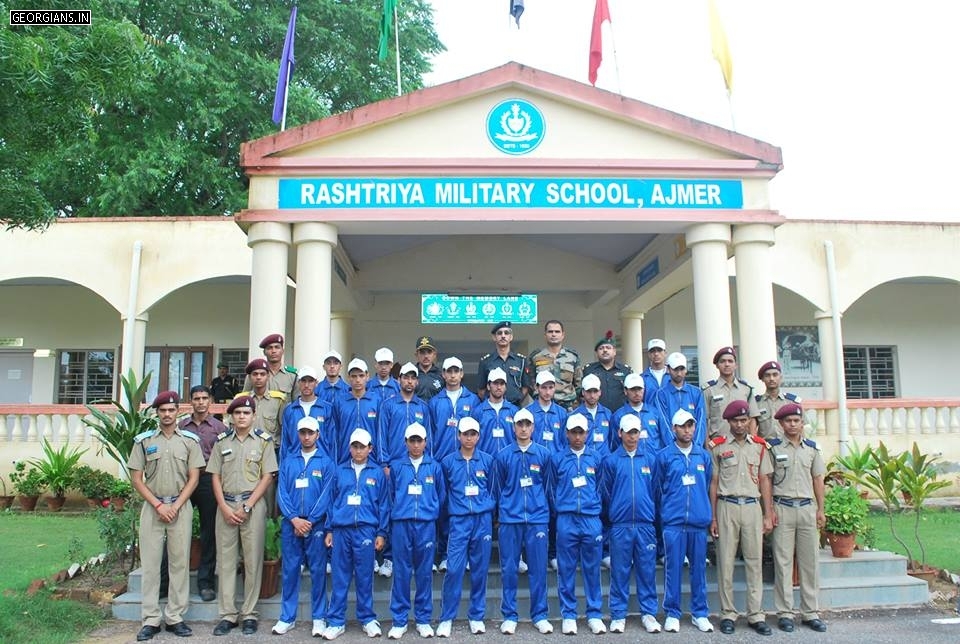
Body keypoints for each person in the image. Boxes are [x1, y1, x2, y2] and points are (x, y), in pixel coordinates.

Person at [129, 391, 204, 641]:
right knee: (150, 565)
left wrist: (177, 504)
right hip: (153, 508)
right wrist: (158, 505)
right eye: (163, 410)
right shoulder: (143, 441)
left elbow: (194, 477)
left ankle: (175, 617)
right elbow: (136, 479)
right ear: (157, 413)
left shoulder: (190, 441)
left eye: (171, 410)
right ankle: (150, 619)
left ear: (177, 412)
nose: (167, 414)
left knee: (179, 563)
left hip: (180, 507)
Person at [207, 395, 279, 636]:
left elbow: (267, 476)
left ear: (254, 416)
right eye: (237, 413)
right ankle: (227, 614)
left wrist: (247, 506)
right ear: (231, 416)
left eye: (246, 413)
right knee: (226, 562)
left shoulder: (264, 441)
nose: (241, 417)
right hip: (226, 505)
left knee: (252, 560)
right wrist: (225, 508)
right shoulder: (221, 441)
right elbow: (214, 476)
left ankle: (249, 613)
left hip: (252, 506)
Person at [709, 399, 774, 636]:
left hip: (751, 507)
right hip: (727, 506)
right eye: (736, 420)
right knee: (725, 563)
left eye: (744, 420)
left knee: (754, 562)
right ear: (728, 422)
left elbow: (765, 479)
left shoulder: (758, 446)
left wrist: (768, 513)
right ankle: (728, 613)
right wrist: (713, 517)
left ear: (749, 421)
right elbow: (714, 483)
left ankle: (755, 614)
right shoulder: (717, 446)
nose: (740, 424)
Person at [322, 429, 391, 640]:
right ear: (350, 448)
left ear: (370, 448)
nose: (358, 450)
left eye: (363, 447)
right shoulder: (339, 471)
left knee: (364, 577)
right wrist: (329, 529)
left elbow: (384, 505)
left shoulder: (377, 473)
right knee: (340, 577)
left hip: (366, 530)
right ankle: (335, 621)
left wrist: (381, 532)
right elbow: (331, 502)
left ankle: (367, 618)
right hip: (341, 530)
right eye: (355, 446)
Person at [490, 408, 554, 635]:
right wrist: (501, 514)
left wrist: (544, 510)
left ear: (533, 427)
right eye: (520, 424)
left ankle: (540, 615)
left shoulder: (544, 454)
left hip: (537, 519)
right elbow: (497, 489)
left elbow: (548, 487)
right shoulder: (503, 455)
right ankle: (509, 615)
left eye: (528, 424)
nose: (524, 428)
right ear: (514, 427)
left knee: (538, 569)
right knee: (509, 568)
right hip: (510, 519)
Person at [767, 402, 828, 633]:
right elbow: (768, 480)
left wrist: (821, 509)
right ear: (781, 424)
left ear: (802, 423)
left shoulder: (811, 449)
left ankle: (810, 612)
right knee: (783, 562)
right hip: (783, 507)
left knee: (809, 562)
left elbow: (818, 479)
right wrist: (769, 510)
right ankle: (785, 613)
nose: (793, 424)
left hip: (806, 509)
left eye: (796, 421)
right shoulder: (773, 448)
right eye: (788, 421)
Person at [272, 416, 335, 637]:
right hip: (292, 525)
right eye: (303, 433)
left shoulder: (326, 463)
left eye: (311, 433)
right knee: (290, 571)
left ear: (318, 434)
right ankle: (287, 617)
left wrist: (309, 520)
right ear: (298, 435)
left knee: (318, 572)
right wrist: (293, 518)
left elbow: (327, 495)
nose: (306, 437)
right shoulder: (288, 461)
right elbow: (282, 493)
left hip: (314, 525)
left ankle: (319, 617)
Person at [654, 409, 715, 634]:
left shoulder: (703, 456)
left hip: (698, 523)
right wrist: (667, 512)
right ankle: (672, 612)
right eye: (682, 426)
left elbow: (706, 483)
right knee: (673, 569)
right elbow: (658, 488)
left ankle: (700, 613)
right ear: (674, 429)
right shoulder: (664, 456)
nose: (687, 430)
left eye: (690, 425)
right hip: (673, 523)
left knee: (698, 570)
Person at [547, 413, 606, 635]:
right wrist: (562, 507)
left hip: (591, 519)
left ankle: (594, 613)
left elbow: (601, 486)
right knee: (566, 568)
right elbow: (551, 488)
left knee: (592, 568)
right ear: (567, 434)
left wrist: (593, 505)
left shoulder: (596, 458)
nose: (578, 436)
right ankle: (569, 614)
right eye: (574, 432)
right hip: (567, 519)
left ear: (587, 433)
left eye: (582, 432)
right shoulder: (558, 458)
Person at [436, 416, 496, 637]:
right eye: (465, 434)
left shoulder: (488, 461)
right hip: (459, 521)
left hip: (482, 520)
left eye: (473, 434)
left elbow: (493, 489)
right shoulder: (448, 462)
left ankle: (476, 615)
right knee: (454, 569)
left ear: (478, 436)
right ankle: (446, 617)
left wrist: (486, 508)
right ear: (458, 435)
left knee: (480, 570)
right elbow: (443, 493)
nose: (469, 438)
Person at [599, 414, 658, 635]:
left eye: (636, 432)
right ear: (620, 433)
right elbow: (606, 492)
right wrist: (616, 509)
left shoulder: (650, 459)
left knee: (646, 570)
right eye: (628, 432)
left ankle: (649, 613)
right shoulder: (611, 461)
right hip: (620, 525)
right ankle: (618, 615)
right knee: (620, 571)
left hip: (645, 525)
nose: (632, 436)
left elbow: (656, 490)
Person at [387, 422, 446, 640]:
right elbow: (391, 494)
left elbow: (441, 496)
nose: (415, 444)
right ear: (405, 442)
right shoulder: (397, 466)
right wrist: (400, 511)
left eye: (419, 440)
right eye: (411, 440)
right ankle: (400, 620)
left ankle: (422, 619)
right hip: (402, 524)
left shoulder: (434, 466)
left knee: (424, 574)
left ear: (425, 442)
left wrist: (429, 512)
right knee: (401, 572)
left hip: (426, 525)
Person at [430, 356, 481, 572]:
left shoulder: (473, 401)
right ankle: (444, 554)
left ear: (462, 374)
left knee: (465, 509)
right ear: (443, 374)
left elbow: (479, 431)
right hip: (443, 461)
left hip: (466, 461)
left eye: (456, 371)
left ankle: (466, 554)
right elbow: (430, 435)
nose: (452, 375)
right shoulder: (435, 401)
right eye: (448, 371)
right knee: (443, 507)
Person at [178, 385, 227, 603]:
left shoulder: (220, 428)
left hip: (208, 479)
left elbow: (226, 458)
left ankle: (205, 582)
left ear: (211, 401)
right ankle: (169, 582)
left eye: (204, 398)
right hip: (186, 480)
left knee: (209, 532)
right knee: (179, 530)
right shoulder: (180, 427)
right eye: (196, 398)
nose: (200, 402)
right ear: (191, 402)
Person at [378, 361, 434, 468]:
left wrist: (428, 462)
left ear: (417, 381)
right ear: (399, 380)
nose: (409, 381)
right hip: (394, 463)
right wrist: (384, 464)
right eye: (406, 378)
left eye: (413, 378)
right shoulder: (388, 405)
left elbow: (429, 437)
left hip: (418, 464)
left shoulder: (423, 406)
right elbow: (382, 436)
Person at [702, 346, 760, 440]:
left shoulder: (746, 389)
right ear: (717, 365)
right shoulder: (709, 390)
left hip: (743, 442)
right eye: (722, 361)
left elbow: (753, 417)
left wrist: (753, 440)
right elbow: (704, 420)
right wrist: (707, 445)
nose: (727, 364)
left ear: (736, 365)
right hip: (718, 442)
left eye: (730, 361)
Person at [279, 365, 336, 462]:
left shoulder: (327, 408)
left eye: (310, 381)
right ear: (298, 383)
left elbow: (332, 442)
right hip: (294, 463)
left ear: (316, 383)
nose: (306, 385)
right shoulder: (290, 410)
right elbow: (285, 442)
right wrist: (283, 467)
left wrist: (332, 468)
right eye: (303, 381)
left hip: (320, 464)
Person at [331, 358, 380, 465]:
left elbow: (381, 432)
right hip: (344, 456)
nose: (358, 380)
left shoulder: (376, 400)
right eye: (354, 376)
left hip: (372, 457)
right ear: (348, 377)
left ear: (367, 376)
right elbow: (335, 431)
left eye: (361, 375)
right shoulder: (340, 401)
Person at [654, 352, 707, 447]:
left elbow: (701, 421)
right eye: (675, 369)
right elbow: (664, 423)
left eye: (682, 369)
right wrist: (674, 447)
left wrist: (696, 446)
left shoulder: (696, 392)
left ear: (686, 369)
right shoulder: (661, 394)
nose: (679, 373)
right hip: (671, 450)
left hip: (694, 449)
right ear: (668, 369)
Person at [476, 320, 532, 406]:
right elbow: (481, 390)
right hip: (491, 408)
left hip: (515, 407)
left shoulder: (521, 361)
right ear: (494, 337)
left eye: (506, 333)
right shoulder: (485, 361)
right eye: (499, 333)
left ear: (511, 337)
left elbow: (525, 387)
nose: (503, 336)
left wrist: (517, 399)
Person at [530, 319, 581, 411]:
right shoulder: (536, 357)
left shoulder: (572, 357)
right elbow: (531, 383)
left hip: (568, 407)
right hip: (542, 406)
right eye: (550, 332)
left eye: (557, 332)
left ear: (563, 335)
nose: (553, 334)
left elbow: (578, 383)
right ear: (545, 335)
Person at [611, 373, 666, 453]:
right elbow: (615, 443)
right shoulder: (618, 416)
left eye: (639, 389)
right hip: (630, 461)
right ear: (625, 391)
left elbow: (664, 437)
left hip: (654, 461)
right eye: (633, 389)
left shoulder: (655, 413)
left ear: (644, 389)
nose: (637, 393)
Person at [578, 331, 632, 413]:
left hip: (620, 413)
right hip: (597, 415)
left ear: (614, 352)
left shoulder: (625, 370)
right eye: (601, 348)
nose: (605, 350)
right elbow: (581, 393)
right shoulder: (588, 370)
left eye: (608, 348)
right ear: (596, 353)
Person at [472, 367, 519, 457]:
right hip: (485, 461)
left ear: (505, 387)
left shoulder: (514, 411)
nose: (499, 387)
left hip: (508, 460)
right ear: (488, 386)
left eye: (502, 384)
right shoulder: (478, 411)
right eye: (495, 383)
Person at [236, 357, 285, 441]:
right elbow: (233, 426)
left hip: (272, 448)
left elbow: (283, 427)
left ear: (268, 376)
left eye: (262, 374)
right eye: (255, 374)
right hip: (246, 446)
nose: (258, 377)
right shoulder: (240, 399)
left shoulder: (278, 400)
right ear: (250, 377)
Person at [241, 333, 297, 403]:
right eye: (269, 348)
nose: (273, 351)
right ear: (264, 352)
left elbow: (296, 402)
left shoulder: (292, 376)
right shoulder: (255, 375)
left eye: (277, 347)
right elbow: (245, 399)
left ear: (283, 351)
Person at [755, 360, 802, 439]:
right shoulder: (756, 403)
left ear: (781, 377)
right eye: (767, 375)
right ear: (762, 379)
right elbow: (751, 429)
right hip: (766, 447)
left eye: (775, 375)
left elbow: (801, 428)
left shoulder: (792, 402)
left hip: (787, 447)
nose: (771, 378)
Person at [570, 373, 614, 457]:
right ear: (583, 392)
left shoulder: (608, 413)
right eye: (589, 391)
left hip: (604, 461)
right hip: (585, 461)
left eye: (595, 391)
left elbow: (612, 438)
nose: (592, 395)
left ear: (600, 392)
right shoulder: (574, 415)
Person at [413, 336, 445, 401]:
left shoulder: (441, 375)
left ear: (434, 355)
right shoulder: (411, 374)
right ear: (416, 355)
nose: (426, 356)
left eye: (429, 352)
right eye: (422, 352)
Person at [640, 338, 669, 405]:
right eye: (652, 351)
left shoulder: (673, 376)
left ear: (665, 353)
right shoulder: (642, 378)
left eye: (659, 350)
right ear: (649, 354)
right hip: (651, 415)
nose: (656, 354)